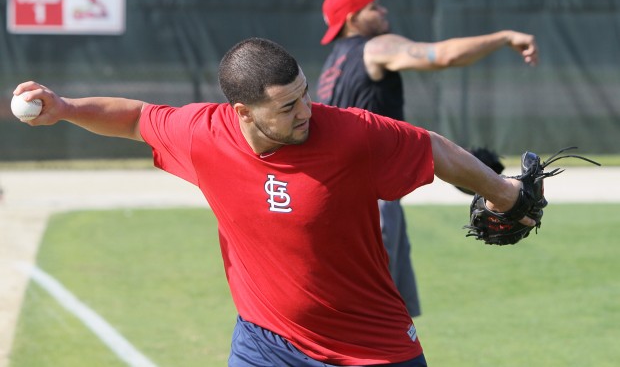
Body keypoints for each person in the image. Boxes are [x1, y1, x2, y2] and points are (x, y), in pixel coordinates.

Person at [14, 37, 534, 367]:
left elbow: (431, 146)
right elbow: (135, 118)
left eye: (305, 93)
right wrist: (65, 108)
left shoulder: (350, 134)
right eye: (287, 106)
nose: (305, 110)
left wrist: (504, 193)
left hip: (372, 348)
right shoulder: (202, 134)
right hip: (266, 344)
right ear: (242, 112)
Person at [317, 0, 539, 317]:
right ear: (352, 19)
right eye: (373, 8)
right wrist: (505, 37)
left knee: (388, 312)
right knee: (369, 317)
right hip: (369, 204)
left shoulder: (332, 68)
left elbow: (378, 129)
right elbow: (444, 55)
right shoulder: (375, 47)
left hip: (345, 199)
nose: (383, 11)